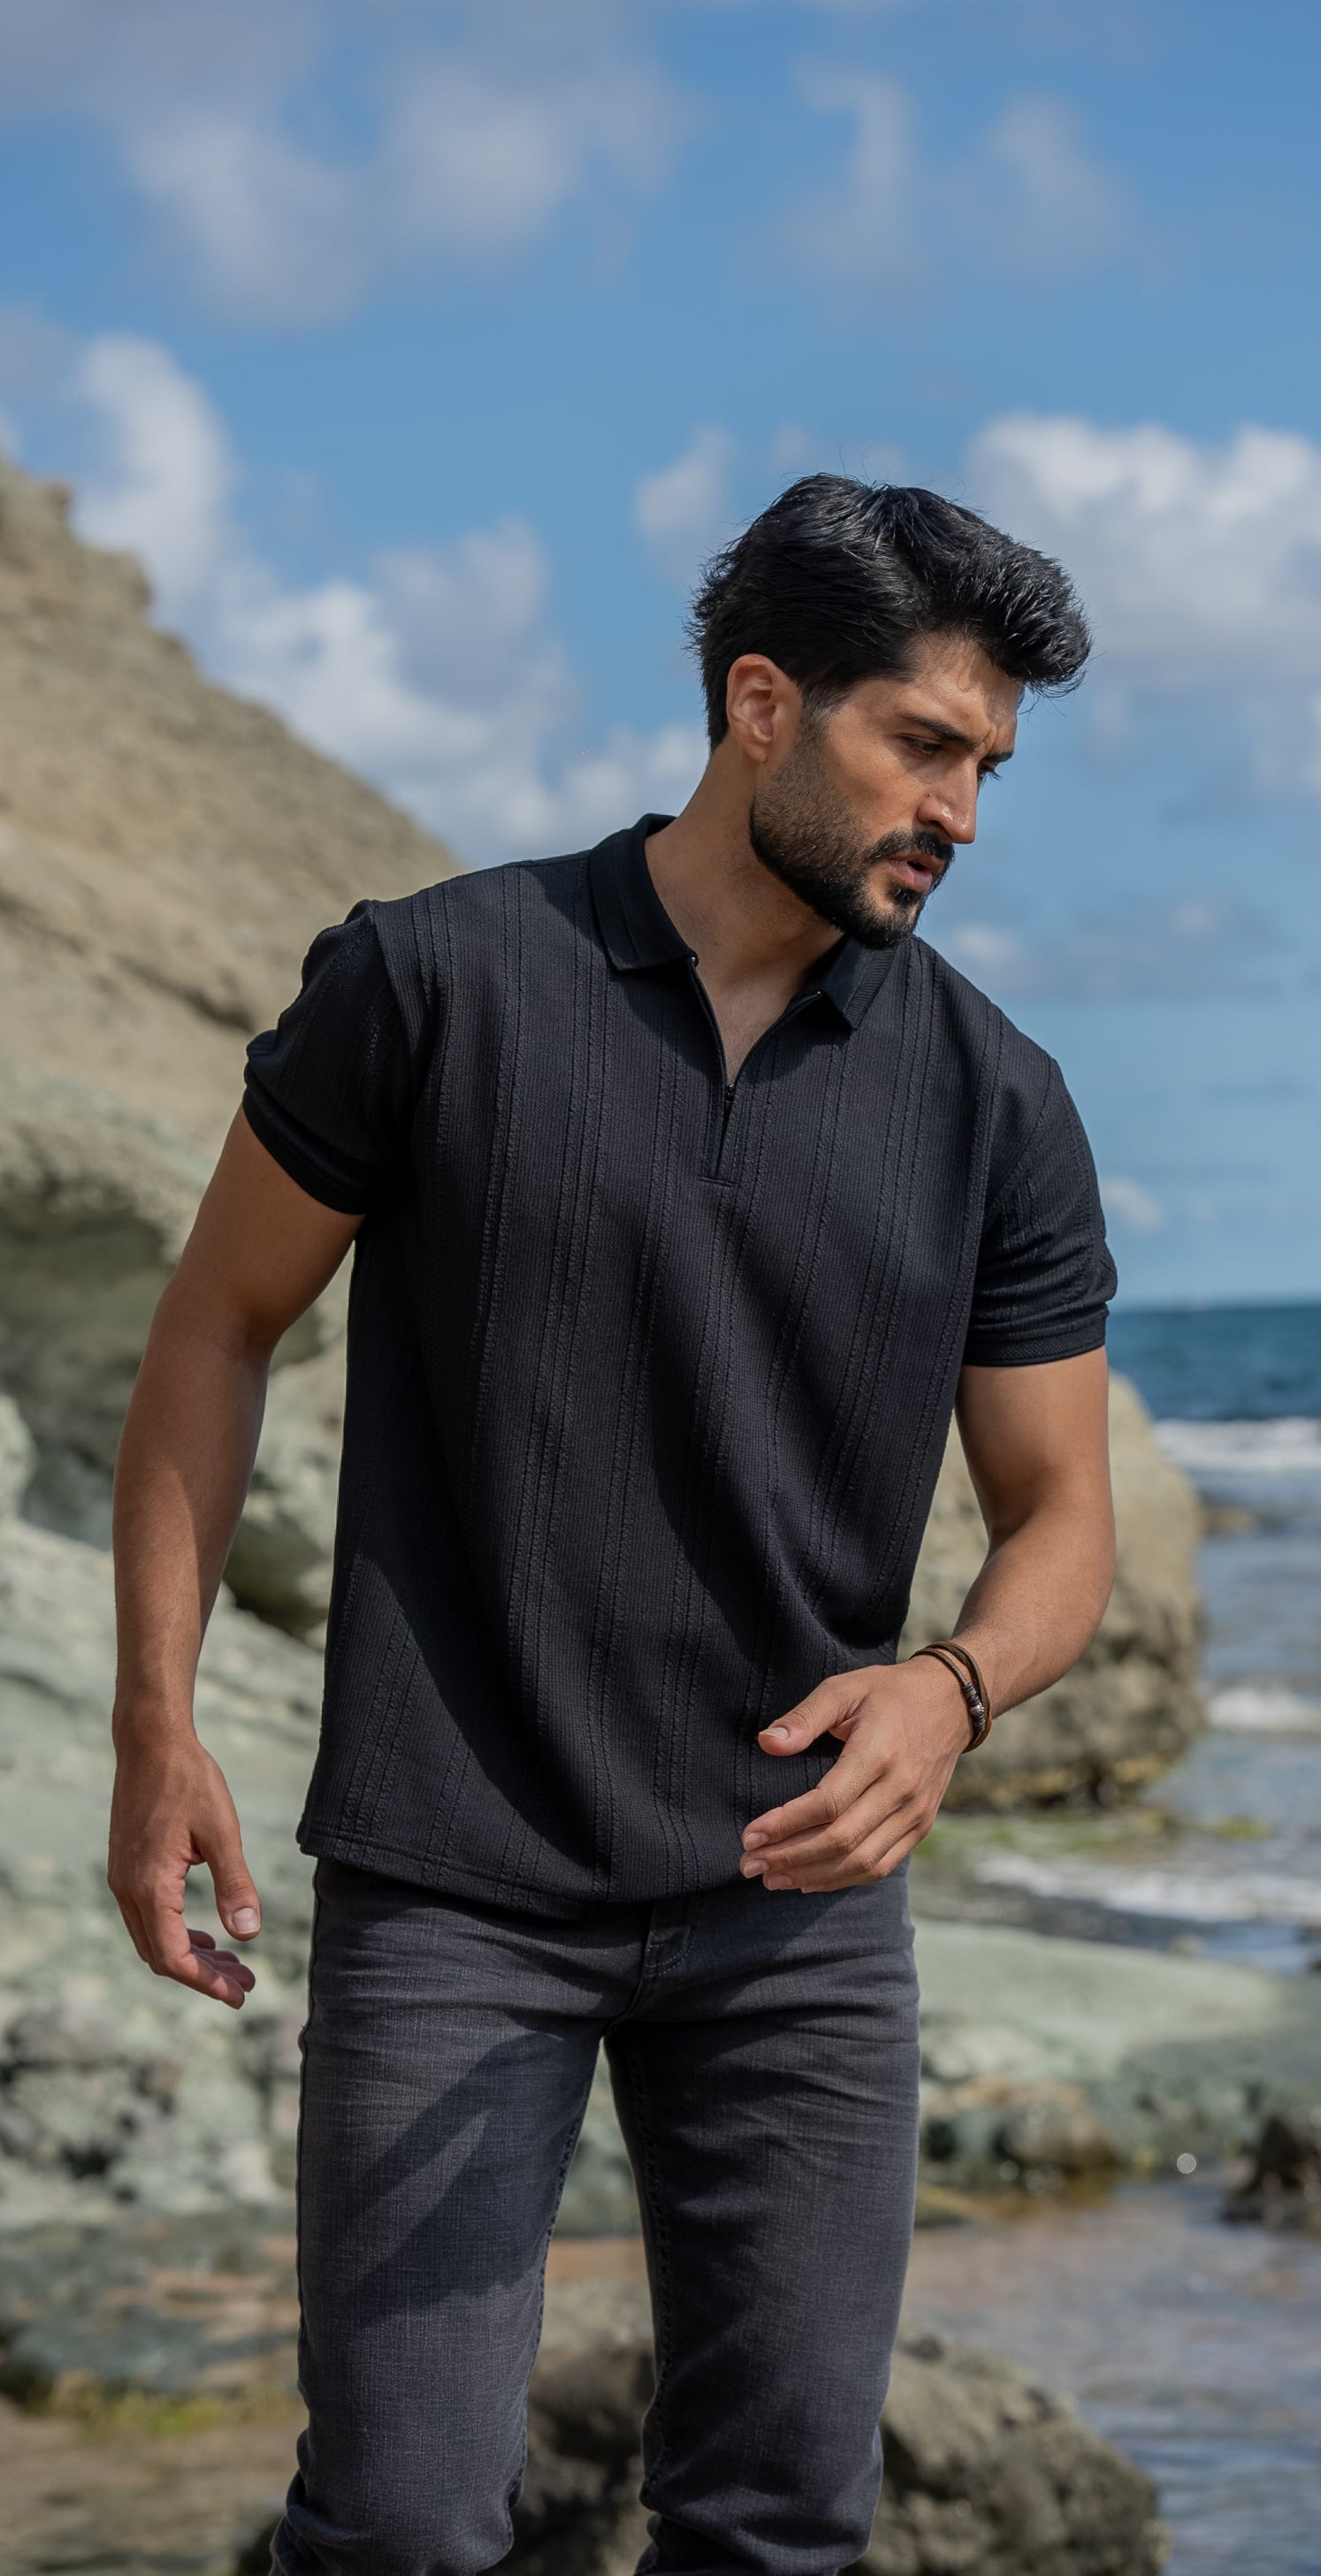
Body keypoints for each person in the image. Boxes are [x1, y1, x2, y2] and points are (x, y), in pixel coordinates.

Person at [106, 475, 1119, 2576]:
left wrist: (947, 1691)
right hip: (453, 1876)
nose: (956, 806)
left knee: (776, 2528)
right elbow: (216, 1325)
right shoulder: (439, 982)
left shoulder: (995, 1095)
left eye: (986, 766)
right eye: (918, 743)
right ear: (762, 701)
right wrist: (156, 1727)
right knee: (395, 2526)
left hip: (797, 1913)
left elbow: (1059, 1521)